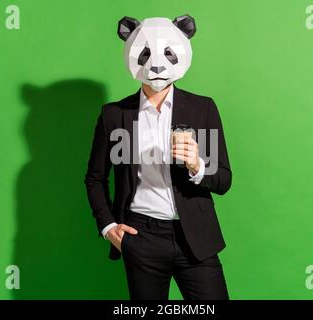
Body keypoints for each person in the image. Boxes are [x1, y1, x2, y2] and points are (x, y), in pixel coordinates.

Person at [85, 15, 232, 300]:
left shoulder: (202, 109)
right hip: (141, 237)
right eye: (146, 53)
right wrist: (108, 226)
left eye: (166, 53)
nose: (156, 64)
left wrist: (197, 166)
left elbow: (223, 180)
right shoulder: (114, 115)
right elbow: (95, 178)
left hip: (196, 238)